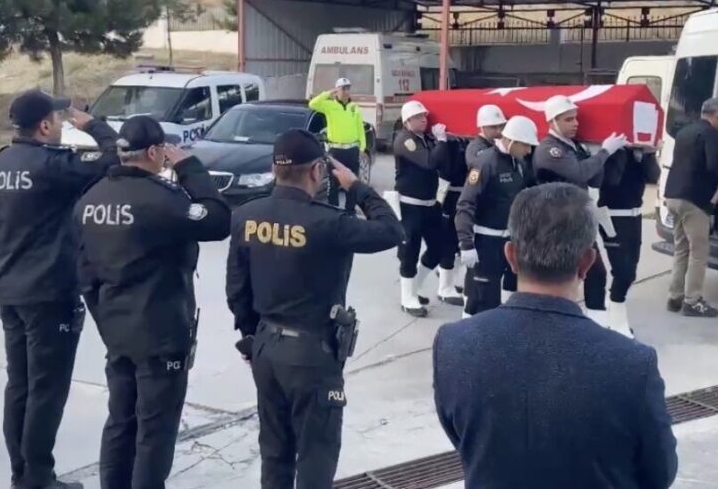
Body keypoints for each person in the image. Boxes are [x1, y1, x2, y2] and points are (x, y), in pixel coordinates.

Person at [433, 184, 678, 489]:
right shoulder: (632, 364)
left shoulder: (455, 345)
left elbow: (462, 439)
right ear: (587, 262)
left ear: (510, 256)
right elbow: (659, 473)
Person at [226, 129, 404, 489]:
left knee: (274, 452)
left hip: (266, 348)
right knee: (315, 456)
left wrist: (251, 337)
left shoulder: (247, 215)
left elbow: (236, 289)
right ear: (316, 172)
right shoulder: (328, 222)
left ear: (274, 168)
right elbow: (391, 230)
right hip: (312, 355)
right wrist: (356, 187)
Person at [77, 116, 231, 488]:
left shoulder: (91, 198)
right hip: (160, 330)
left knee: (120, 420)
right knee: (155, 429)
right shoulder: (162, 200)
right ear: (153, 151)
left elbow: (83, 271)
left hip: (116, 328)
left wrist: (107, 321)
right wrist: (189, 166)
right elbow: (217, 219)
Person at [0, 89, 120, 489]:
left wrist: (5, 273)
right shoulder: (52, 165)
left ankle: (21, 474)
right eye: (56, 120)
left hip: (11, 290)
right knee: (46, 388)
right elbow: (113, 157)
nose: (60, 126)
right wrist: (92, 124)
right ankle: (38, 477)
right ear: (44, 125)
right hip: (50, 294)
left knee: (19, 384)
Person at [533, 95, 628, 325]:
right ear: (553, 122)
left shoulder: (575, 147)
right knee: (559, 280)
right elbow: (579, 173)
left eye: (576, 118)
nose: (575, 123)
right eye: (568, 119)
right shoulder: (549, 150)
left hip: (579, 220)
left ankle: (595, 324)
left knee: (596, 274)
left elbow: (594, 180)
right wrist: (603, 153)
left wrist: (601, 156)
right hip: (557, 224)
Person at [455, 116, 538, 317]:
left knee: (512, 291)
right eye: (526, 146)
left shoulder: (518, 162)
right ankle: (470, 339)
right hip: (486, 241)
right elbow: (466, 204)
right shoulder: (485, 162)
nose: (529, 151)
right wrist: (466, 243)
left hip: (510, 238)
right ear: (513, 141)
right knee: (482, 299)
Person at [664, 98, 718, 319]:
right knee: (699, 252)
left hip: (673, 195)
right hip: (693, 200)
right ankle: (693, 301)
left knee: (681, 248)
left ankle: (674, 297)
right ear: (717, 115)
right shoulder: (710, 133)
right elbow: (712, 167)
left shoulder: (684, 132)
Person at [393, 100, 451, 316]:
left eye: (425, 116)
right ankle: (407, 298)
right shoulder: (405, 140)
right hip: (410, 206)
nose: (424, 120)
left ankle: (414, 287)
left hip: (430, 204)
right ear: (407, 120)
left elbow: (441, 163)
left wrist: (441, 142)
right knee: (410, 251)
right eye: (418, 117)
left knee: (438, 248)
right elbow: (428, 162)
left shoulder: (425, 138)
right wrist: (442, 141)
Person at [599, 146, 661, 338]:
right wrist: (619, 151)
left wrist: (647, 155)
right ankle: (615, 317)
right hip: (612, 215)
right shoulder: (611, 150)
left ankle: (614, 304)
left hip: (635, 215)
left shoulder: (639, 154)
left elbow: (653, 177)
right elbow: (611, 180)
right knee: (623, 270)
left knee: (631, 269)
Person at [308, 77, 366, 210]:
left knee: (352, 182)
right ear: (337, 90)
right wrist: (328, 93)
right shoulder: (329, 105)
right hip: (336, 150)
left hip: (351, 149)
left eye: (348, 89)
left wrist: (362, 147)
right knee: (333, 182)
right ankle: (333, 209)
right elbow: (312, 104)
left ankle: (350, 210)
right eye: (343, 89)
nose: (346, 92)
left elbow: (360, 128)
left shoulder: (354, 108)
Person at [434, 134, 469, 305]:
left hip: (464, 194)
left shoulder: (466, 140)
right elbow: (446, 169)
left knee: (458, 242)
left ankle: (451, 280)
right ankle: (444, 287)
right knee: (448, 241)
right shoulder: (450, 143)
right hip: (451, 194)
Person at [465, 104, 507, 169]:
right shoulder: (475, 147)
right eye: (493, 127)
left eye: (501, 126)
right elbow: (479, 169)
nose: (499, 131)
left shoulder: (501, 143)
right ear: (482, 127)